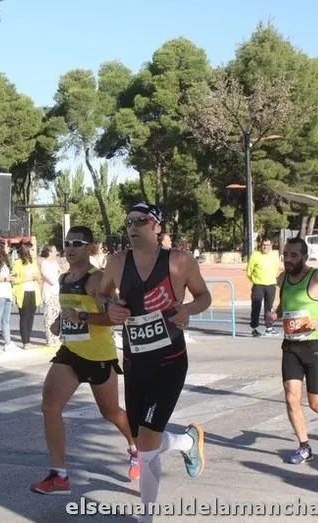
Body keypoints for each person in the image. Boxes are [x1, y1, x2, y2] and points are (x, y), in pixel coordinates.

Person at [100, 203, 212, 520]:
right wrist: (110, 306)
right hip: (135, 361)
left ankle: (146, 516)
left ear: (157, 226)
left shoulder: (179, 261)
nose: (133, 227)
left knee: (147, 441)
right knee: (141, 441)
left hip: (169, 360)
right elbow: (102, 294)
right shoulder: (117, 262)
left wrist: (187, 310)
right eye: (128, 222)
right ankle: (187, 441)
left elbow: (204, 296)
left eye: (140, 221)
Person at [30, 226, 140, 495]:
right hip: (70, 353)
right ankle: (59, 475)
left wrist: (80, 317)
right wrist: (60, 322)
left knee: (110, 412)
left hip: (98, 355)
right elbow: (69, 310)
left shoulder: (97, 280)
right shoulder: (65, 278)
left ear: (90, 248)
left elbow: (115, 317)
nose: (70, 248)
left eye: (77, 243)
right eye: (67, 243)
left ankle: (136, 447)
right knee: (49, 407)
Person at [267, 237, 318, 464]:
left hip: (314, 345)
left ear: (304, 257)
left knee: (317, 405)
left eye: (293, 255)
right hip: (291, 344)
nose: (288, 259)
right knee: (291, 396)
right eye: (285, 255)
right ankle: (304, 446)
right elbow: (284, 305)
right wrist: (275, 314)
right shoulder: (283, 278)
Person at [246, 238, 281, 337]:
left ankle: (268, 328)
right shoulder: (255, 255)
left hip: (271, 285)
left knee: (269, 307)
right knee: (256, 306)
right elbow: (249, 271)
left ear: (271, 246)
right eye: (263, 245)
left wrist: (272, 279)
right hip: (258, 285)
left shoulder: (274, 255)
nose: (265, 247)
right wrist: (255, 280)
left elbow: (276, 269)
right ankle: (254, 329)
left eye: (267, 245)